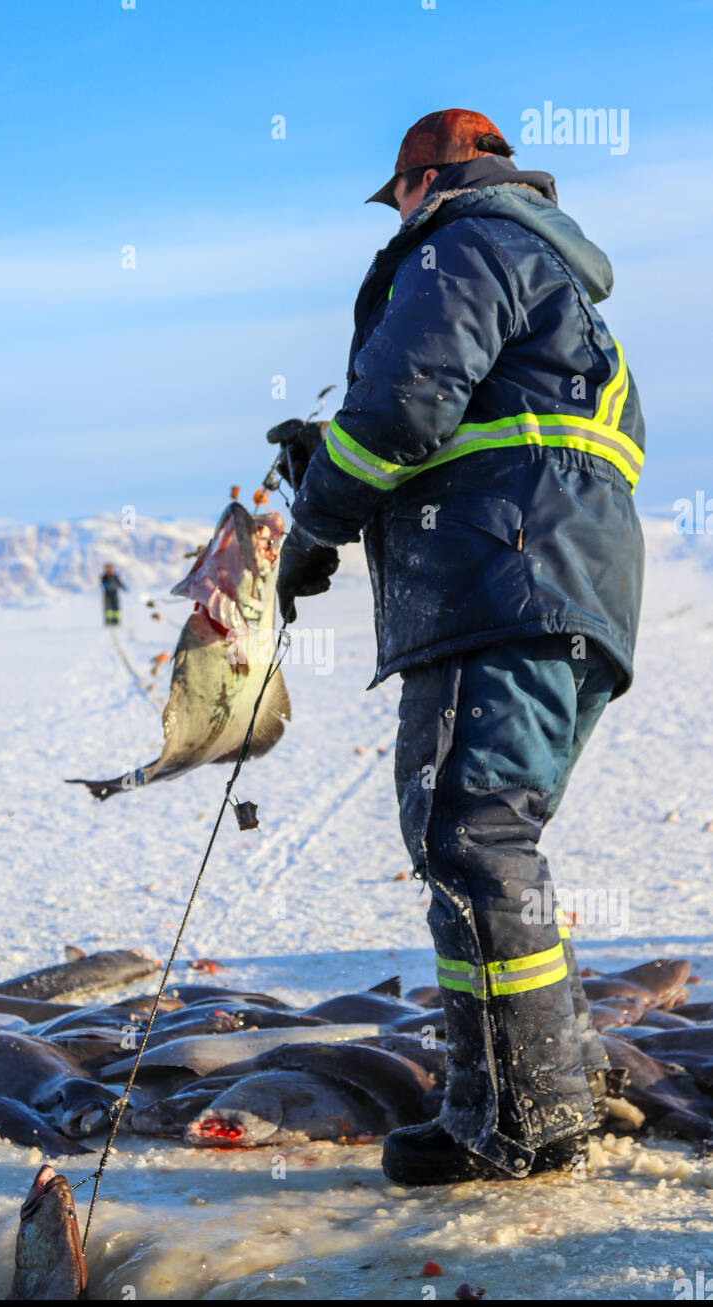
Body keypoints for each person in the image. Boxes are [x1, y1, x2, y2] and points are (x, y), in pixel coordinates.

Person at [275, 109, 645, 1185]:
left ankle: (529, 1117)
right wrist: (327, 466)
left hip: (502, 578)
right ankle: (503, 1095)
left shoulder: (467, 242)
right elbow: (463, 418)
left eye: (393, 194)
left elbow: (401, 405)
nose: (392, 213)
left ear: (424, 181)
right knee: (478, 843)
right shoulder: (542, 268)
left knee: (472, 837)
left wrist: (313, 526)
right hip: (552, 582)